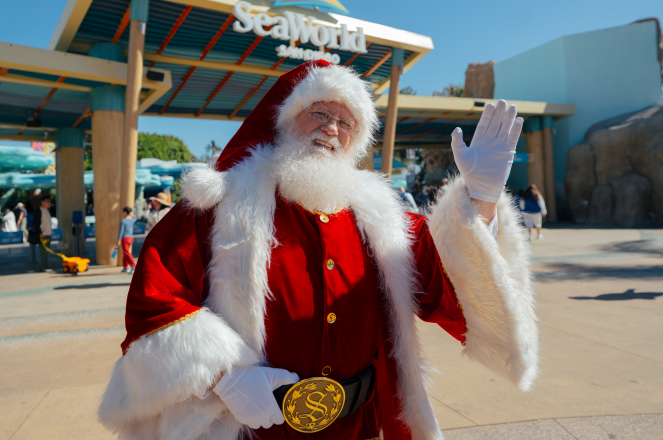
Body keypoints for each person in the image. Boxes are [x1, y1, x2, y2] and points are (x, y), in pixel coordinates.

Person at [98, 61, 537, 440]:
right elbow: (155, 298)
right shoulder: (220, 203)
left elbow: (447, 278)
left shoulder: (382, 217)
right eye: (320, 113)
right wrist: (223, 377)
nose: (332, 128)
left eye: (347, 123)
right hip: (250, 428)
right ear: (285, 121)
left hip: (358, 427)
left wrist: (480, 198)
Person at [33, 196, 53, 272]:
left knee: (46, 252)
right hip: (43, 235)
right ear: (42, 201)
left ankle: (45, 266)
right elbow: (36, 223)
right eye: (47, 201)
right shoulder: (39, 210)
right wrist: (39, 232)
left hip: (48, 234)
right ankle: (43, 267)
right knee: (43, 252)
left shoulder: (47, 211)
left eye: (50, 201)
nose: (49, 203)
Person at [116, 207, 137, 274]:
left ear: (125, 213)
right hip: (130, 238)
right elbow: (135, 218)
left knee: (126, 252)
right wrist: (132, 214)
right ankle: (125, 267)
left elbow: (121, 231)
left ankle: (133, 266)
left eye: (123, 212)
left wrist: (118, 240)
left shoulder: (123, 221)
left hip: (125, 238)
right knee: (126, 252)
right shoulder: (132, 220)